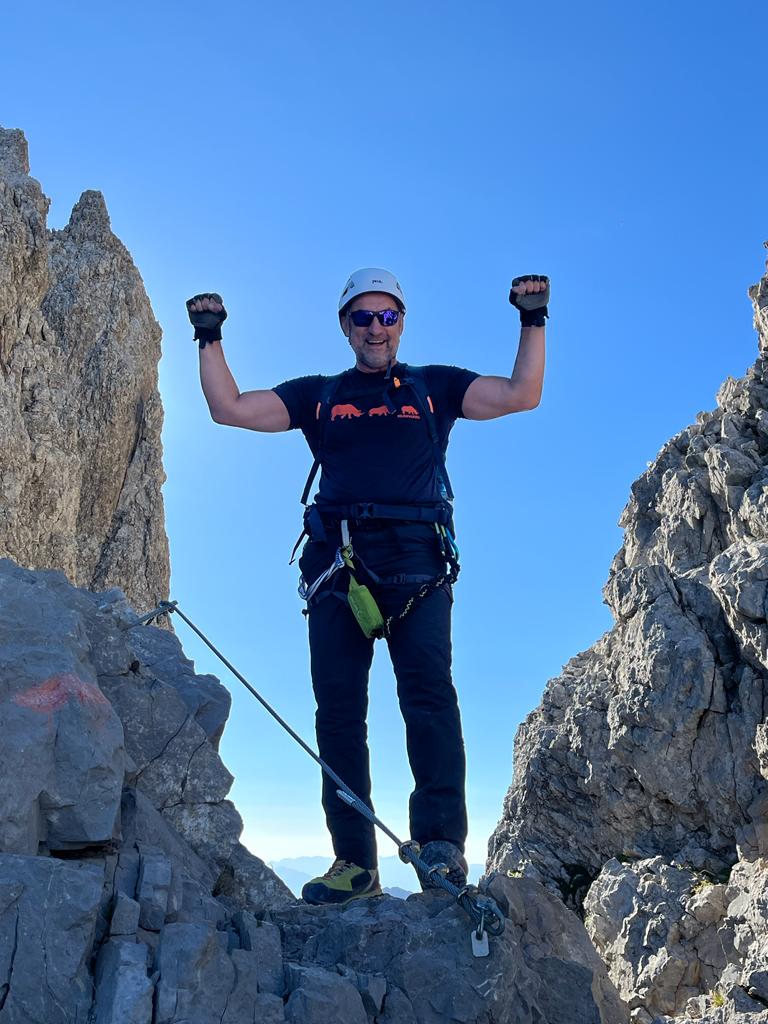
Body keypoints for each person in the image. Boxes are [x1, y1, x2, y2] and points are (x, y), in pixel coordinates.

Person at [188, 267, 548, 905]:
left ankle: (440, 851)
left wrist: (532, 318)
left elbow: (522, 394)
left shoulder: (436, 387)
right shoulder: (320, 395)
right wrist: (209, 335)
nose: (376, 328)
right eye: (363, 317)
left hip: (418, 565)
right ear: (345, 326)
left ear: (402, 323)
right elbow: (229, 409)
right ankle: (354, 863)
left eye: (387, 316)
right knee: (339, 717)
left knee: (429, 701)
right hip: (338, 567)